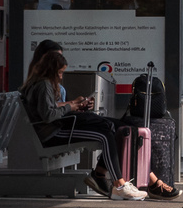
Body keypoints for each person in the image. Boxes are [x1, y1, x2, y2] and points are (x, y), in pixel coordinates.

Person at [21, 50, 141, 200]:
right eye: (59, 72)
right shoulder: (44, 86)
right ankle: (119, 185)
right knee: (106, 134)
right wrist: (70, 107)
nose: (60, 76)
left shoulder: (40, 84)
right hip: (54, 133)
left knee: (109, 128)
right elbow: (48, 115)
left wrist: (76, 105)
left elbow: (49, 110)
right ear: (50, 71)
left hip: (56, 128)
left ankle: (106, 178)